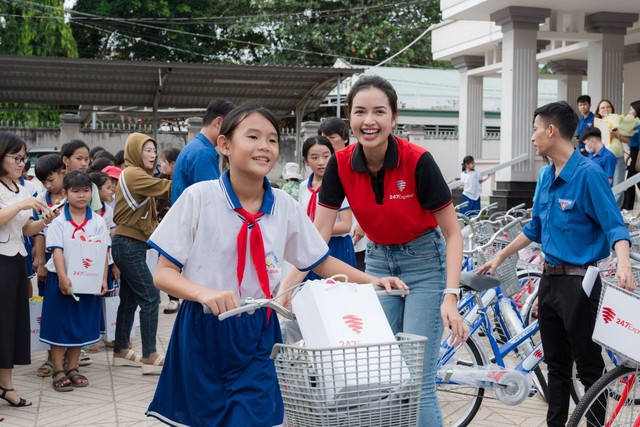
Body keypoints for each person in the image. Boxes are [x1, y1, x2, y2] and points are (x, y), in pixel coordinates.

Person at [144, 103, 407, 426]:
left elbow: (319, 261)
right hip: (203, 330)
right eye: (252, 136)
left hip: (258, 329)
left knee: (255, 416)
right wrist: (203, 293)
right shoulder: (199, 198)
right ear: (225, 145)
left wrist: (372, 281)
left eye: (271, 139)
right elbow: (163, 274)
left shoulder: (283, 205)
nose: (264, 147)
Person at [282, 76, 466, 426]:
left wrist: (450, 296)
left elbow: (453, 233)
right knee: (378, 373)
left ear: (393, 118)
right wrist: (289, 284)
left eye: (379, 112)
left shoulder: (417, 161)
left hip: (426, 264)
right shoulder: (340, 163)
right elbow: (318, 234)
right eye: (360, 112)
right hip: (378, 262)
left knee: (416, 380)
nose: (369, 121)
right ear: (349, 119)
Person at [478, 101, 634, 427]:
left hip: (580, 284)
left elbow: (615, 226)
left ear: (551, 130)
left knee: (589, 367)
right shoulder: (546, 174)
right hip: (548, 282)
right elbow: (534, 227)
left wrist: (623, 264)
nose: (533, 137)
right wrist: (501, 255)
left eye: (535, 130)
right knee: (556, 366)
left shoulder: (589, 175)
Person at [0, 132, 57, 417]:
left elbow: (25, 229)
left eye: (25, 158)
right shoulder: (14, 193)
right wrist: (22, 205)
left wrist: (45, 220)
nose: (23, 163)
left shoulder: (21, 188)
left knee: (11, 325)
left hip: (16, 261)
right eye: (17, 158)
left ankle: (6, 386)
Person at [39, 170, 110, 391]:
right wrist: (62, 277)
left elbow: (103, 252)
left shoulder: (98, 221)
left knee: (79, 325)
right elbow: (56, 251)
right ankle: (58, 369)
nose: (81, 196)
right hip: (61, 280)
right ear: (65, 193)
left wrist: (102, 279)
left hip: (87, 282)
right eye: (75, 191)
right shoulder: (59, 221)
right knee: (59, 324)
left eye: (86, 191)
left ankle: (73, 367)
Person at [112, 133, 171, 374]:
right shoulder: (134, 174)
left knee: (130, 299)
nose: (152, 154)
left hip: (129, 244)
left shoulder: (137, 175)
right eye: (147, 150)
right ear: (135, 151)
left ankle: (121, 350)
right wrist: (188, 179)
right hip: (128, 244)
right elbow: (166, 189)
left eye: (154, 150)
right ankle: (150, 354)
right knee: (151, 297)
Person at [298, 136, 356, 280]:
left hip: (337, 246)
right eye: (314, 157)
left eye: (326, 156)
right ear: (305, 160)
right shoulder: (304, 186)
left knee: (337, 295)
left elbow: (345, 225)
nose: (321, 162)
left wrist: (312, 229)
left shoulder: (338, 184)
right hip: (311, 244)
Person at [171, 99, 235, 203]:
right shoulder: (203, 153)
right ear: (219, 122)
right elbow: (212, 200)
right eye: (231, 127)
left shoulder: (195, 147)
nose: (231, 133)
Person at [154, 147, 182, 315]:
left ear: (172, 163)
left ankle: (177, 296)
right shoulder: (159, 181)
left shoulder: (182, 182)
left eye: (164, 162)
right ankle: (173, 297)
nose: (161, 165)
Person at [595, 99, 628, 206]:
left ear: (612, 109)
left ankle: (616, 211)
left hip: (617, 156)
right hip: (601, 159)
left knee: (618, 185)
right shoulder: (596, 124)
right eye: (602, 108)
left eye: (608, 107)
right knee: (602, 185)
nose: (605, 109)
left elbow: (628, 140)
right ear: (599, 111)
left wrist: (617, 135)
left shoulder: (619, 121)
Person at [623, 100, 640, 211]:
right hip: (634, 152)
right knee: (635, 181)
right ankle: (628, 208)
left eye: (631, 110)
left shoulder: (638, 124)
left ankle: (628, 209)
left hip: (638, 153)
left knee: (630, 180)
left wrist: (637, 159)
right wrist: (629, 154)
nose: (629, 112)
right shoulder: (635, 123)